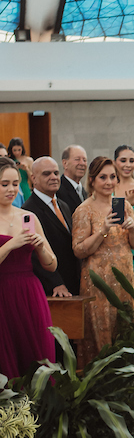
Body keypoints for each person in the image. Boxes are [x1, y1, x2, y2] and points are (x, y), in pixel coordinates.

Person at [72, 156, 134, 364]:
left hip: (124, 278)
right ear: (92, 180)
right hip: (98, 282)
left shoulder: (125, 207)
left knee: (124, 326)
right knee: (100, 331)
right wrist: (102, 230)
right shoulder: (84, 210)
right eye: (103, 177)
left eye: (113, 176)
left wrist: (131, 229)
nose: (109, 182)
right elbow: (78, 250)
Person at [0, 157, 58, 378]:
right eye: (4, 184)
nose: (11, 189)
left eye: (15, 183)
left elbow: (51, 265)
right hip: (2, 292)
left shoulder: (28, 216)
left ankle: (41, 409)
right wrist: (11, 245)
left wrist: (41, 247)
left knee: (37, 353)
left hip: (29, 293)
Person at [23, 156, 81, 297]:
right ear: (33, 178)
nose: (54, 177)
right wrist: (55, 282)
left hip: (74, 281)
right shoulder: (28, 211)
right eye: (46, 173)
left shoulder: (64, 205)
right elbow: (32, 252)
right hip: (52, 289)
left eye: (56, 173)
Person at [59, 145, 88, 212]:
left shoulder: (86, 192)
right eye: (77, 159)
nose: (82, 163)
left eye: (84, 160)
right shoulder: (58, 190)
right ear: (65, 163)